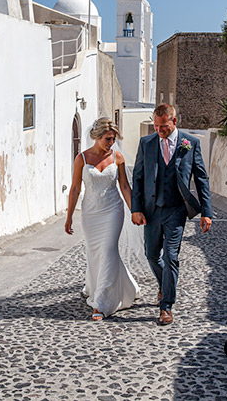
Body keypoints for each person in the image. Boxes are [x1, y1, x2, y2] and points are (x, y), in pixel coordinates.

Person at [130, 104, 213, 326]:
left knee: (171, 257)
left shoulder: (190, 143)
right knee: (151, 255)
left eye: (163, 126)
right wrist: (135, 208)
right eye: (156, 126)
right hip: (152, 210)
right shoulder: (146, 143)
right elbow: (137, 178)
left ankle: (166, 306)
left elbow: (201, 179)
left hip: (177, 209)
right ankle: (164, 283)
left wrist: (207, 212)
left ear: (174, 122)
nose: (159, 130)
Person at [64, 117, 141, 320]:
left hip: (112, 210)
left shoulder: (118, 157)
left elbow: (124, 186)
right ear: (97, 138)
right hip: (90, 213)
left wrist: (134, 210)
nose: (111, 143)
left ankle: (102, 303)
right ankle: (122, 287)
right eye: (108, 139)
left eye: (113, 139)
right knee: (95, 252)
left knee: (108, 250)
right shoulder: (82, 158)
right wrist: (69, 215)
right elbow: (75, 188)